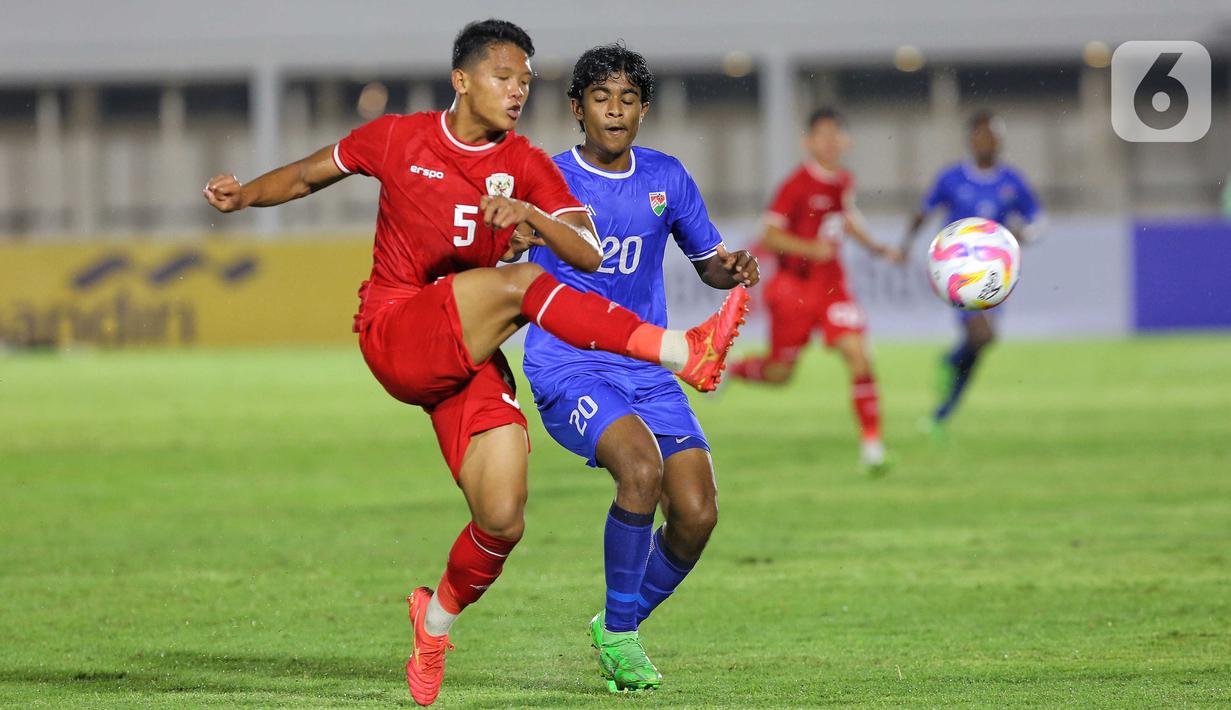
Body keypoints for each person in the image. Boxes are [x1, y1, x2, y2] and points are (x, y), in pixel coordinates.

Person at [201, 19, 748, 706]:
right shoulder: (399, 137)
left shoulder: (525, 164)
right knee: (521, 290)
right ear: (461, 80)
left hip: (468, 356)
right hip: (398, 325)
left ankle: (433, 626)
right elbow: (313, 173)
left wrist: (529, 212)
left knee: (502, 517)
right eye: (502, 76)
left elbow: (585, 253)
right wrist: (244, 193)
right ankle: (679, 350)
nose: (517, 90)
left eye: (524, 79)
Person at [513, 44, 757, 694]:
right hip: (569, 366)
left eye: (626, 99)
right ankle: (622, 641)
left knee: (697, 512)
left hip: (646, 369)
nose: (614, 110)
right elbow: (505, 250)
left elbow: (706, 261)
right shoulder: (547, 180)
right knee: (641, 471)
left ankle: (616, 622)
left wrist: (727, 268)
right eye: (600, 98)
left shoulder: (667, 177)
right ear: (576, 110)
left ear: (643, 110)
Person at [729, 108, 899, 473]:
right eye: (821, 135)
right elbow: (768, 235)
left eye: (835, 135)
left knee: (859, 356)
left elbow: (846, 217)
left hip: (834, 288)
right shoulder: (796, 185)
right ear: (807, 142)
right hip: (794, 291)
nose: (829, 142)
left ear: (845, 141)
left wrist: (876, 247)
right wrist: (810, 249)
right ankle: (736, 368)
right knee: (780, 374)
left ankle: (872, 446)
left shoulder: (842, 180)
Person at [900, 110, 1042, 436]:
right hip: (957, 272)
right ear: (970, 140)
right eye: (979, 135)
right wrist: (906, 244)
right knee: (982, 335)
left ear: (1000, 140)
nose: (985, 142)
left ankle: (945, 401)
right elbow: (924, 211)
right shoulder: (952, 178)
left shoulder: (1012, 181)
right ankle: (946, 393)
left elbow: (1038, 219)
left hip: (996, 274)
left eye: (990, 135)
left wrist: (1027, 232)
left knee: (981, 342)